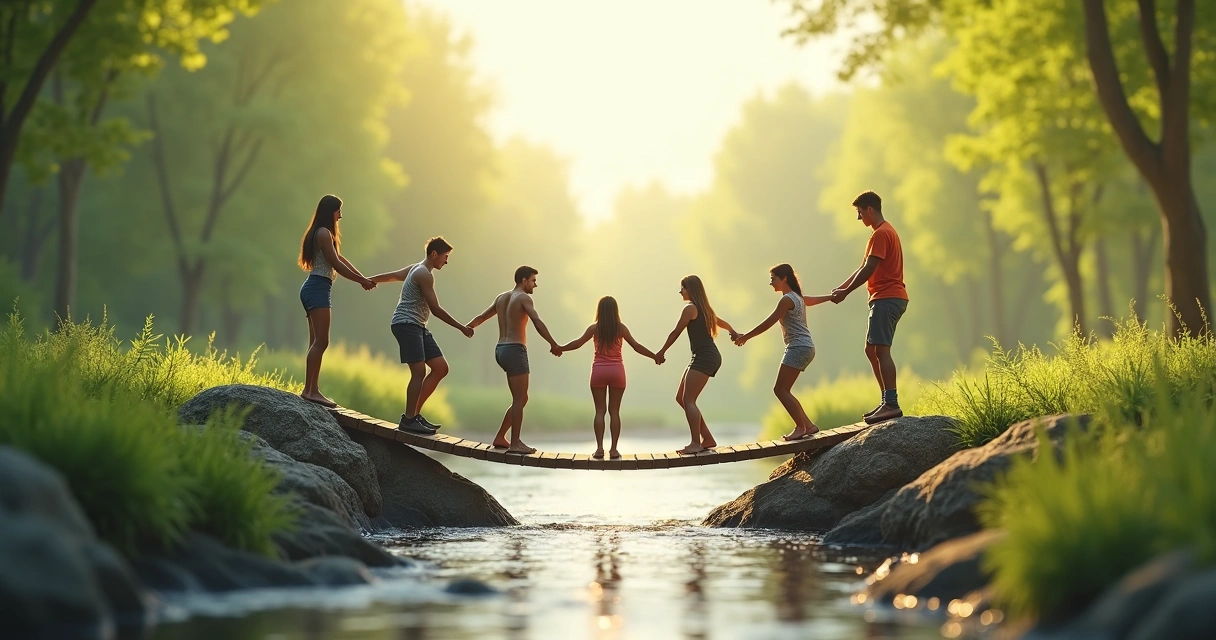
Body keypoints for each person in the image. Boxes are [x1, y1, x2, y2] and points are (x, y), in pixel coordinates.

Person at [369, 236, 474, 435]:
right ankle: (409, 420)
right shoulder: (424, 274)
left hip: (417, 326)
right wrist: (461, 327)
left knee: (440, 368)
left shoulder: (415, 268)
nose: (446, 261)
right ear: (434, 254)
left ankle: (414, 415)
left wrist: (371, 280)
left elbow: (393, 275)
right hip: (406, 324)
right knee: (418, 372)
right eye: (445, 256)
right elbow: (435, 309)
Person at [830, 191, 909, 424]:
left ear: (870, 210)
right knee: (871, 349)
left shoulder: (882, 234)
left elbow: (868, 270)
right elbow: (863, 266)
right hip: (884, 298)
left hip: (887, 297)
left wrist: (846, 293)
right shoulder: (882, 233)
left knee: (881, 351)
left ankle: (891, 404)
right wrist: (841, 287)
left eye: (860, 212)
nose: (859, 218)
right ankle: (887, 400)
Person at [467, 266, 563, 454]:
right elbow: (537, 321)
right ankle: (516, 443)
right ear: (523, 280)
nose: (536, 284)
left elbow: (482, 316)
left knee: (521, 398)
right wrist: (553, 343)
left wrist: (468, 327)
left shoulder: (501, 298)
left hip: (500, 349)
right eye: (533, 280)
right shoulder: (524, 298)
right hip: (515, 349)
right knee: (520, 398)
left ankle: (500, 436)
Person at [732, 264, 832, 440]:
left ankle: (800, 427)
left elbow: (769, 322)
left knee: (780, 390)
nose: (770, 283)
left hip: (798, 347)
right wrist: (830, 297)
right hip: (806, 346)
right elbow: (809, 300)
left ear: (784, 278)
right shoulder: (796, 297)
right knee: (783, 389)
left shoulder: (786, 300)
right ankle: (808, 426)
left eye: (773, 279)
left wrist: (746, 337)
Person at [297, 194, 376, 407]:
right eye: (339, 210)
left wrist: (364, 278)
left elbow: (340, 259)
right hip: (317, 288)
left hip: (317, 288)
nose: (341, 215)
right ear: (331, 210)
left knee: (317, 341)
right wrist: (361, 281)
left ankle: (312, 390)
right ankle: (309, 390)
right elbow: (336, 265)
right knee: (321, 341)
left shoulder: (325, 233)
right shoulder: (323, 233)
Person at [558, 296, 662, 459]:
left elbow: (577, 343)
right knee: (614, 411)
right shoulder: (621, 328)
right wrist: (654, 356)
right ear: (615, 311)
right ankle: (613, 450)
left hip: (598, 371)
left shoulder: (594, 328)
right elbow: (636, 346)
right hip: (617, 371)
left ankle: (599, 449)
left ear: (599, 310)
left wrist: (560, 348)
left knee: (600, 411)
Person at [655, 275, 738, 455]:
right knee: (681, 398)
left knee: (688, 400)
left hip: (705, 356)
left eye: (682, 288)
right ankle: (707, 438)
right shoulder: (703, 308)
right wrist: (732, 330)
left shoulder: (690, 309)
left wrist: (662, 351)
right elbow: (720, 321)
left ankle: (695, 443)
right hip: (703, 356)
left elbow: (676, 331)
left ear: (690, 289)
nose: (680, 291)